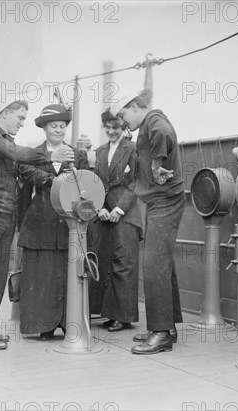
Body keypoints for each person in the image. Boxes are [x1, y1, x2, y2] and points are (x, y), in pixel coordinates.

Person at [0, 99, 75, 350]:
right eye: (19, 117)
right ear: (4, 114)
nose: (22, 122)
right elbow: (18, 155)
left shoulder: (6, 140)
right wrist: (52, 155)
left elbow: (23, 167)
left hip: (4, 215)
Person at [110, 90, 185, 354]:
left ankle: (162, 334)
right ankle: (167, 327)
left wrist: (157, 164)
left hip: (166, 202)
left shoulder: (154, 120)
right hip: (158, 202)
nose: (121, 123)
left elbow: (164, 134)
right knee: (163, 265)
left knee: (153, 265)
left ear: (133, 108)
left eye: (122, 116)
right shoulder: (146, 125)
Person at [17, 104, 90, 341]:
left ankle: (70, 323)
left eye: (62, 126)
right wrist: (21, 225)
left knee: (69, 274)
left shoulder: (77, 155)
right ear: (44, 128)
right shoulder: (33, 154)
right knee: (43, 275)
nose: (58, 130)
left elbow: (86, 187)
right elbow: (25, 190)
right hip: (40, 224)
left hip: (69, 225)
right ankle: (44, 326)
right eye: (53, 126)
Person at [89, 109, 142, 332]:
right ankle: (109, 313)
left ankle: (124, 316)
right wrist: (99, 207)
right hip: (104, 215)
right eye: (107, 127)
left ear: (124, 128)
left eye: (116, 127)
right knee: (106, 260)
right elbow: (96, 183)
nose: (111, 131)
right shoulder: (100, 151)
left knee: (123, 264)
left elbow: (137, 182)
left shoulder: (133, 149)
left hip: (126, 214)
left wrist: (119, 208)